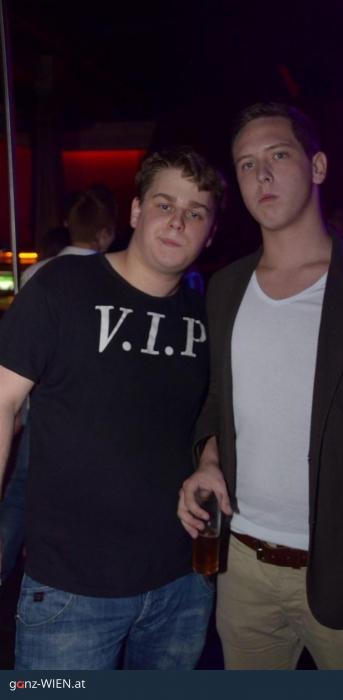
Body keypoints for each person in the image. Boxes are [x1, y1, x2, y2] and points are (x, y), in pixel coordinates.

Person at [178, 102, 343, 670]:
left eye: (278, 155)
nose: (262, 175)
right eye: (247, 165)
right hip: (244, 569)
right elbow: (218, 400)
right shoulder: (225, 288)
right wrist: (209, 455)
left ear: (317, 166)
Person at [0, 147, 225, 670]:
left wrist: (211, 458)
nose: (178, 221)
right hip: (72, 593)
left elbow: (212, 411)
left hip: (182, 586)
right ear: (136, 211)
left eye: (195, 212)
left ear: (211, 233)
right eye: (165, 204)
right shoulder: (63, 286)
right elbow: (3, 401)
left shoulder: (207, 313)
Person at [0, 185, 118, 583]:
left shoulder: (36, 272)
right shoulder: (109, 278)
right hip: (81, 411)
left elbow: (17, 349)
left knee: (21, 491)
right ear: (105, 233)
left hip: (36, 403)